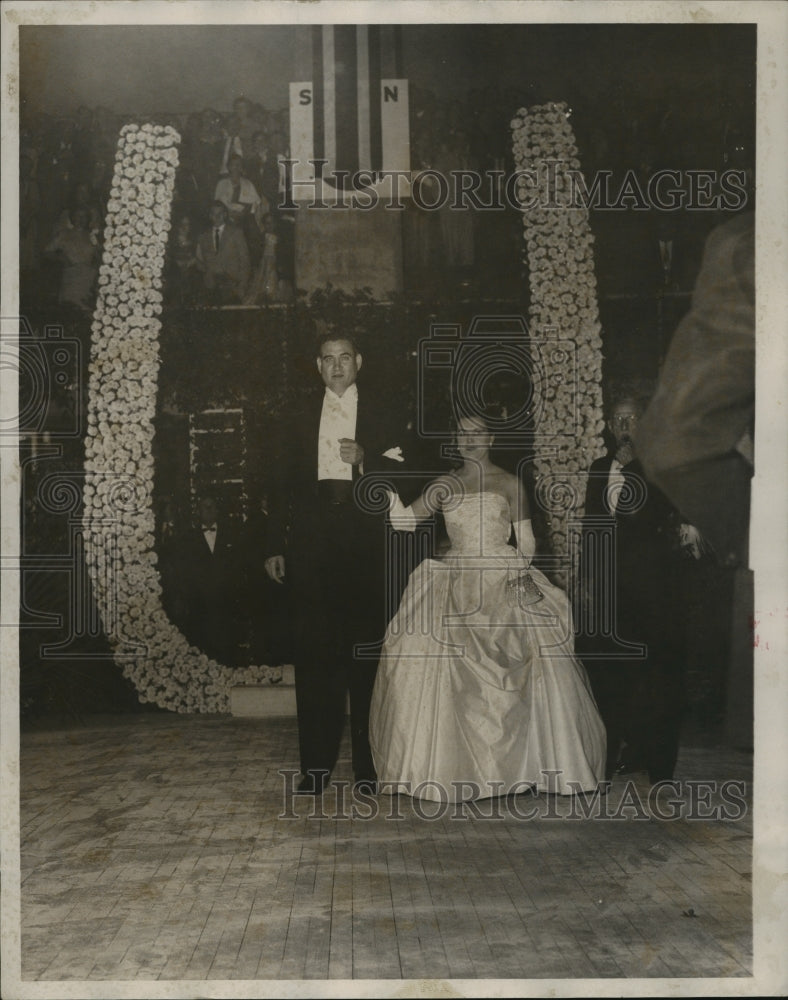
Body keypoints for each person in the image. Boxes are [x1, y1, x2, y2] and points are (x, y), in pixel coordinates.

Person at [369, 408, 607, 803]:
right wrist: (384, 483)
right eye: (462, 434)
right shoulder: (444, 484)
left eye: (477, 433)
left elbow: (527, 545)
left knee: (533, 649)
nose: (469, 440)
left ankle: (530, 765)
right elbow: (404, 522)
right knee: (415, 645)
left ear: (492, 439)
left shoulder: (511, 484)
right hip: (454, 578)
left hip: (505, 574)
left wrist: (515, 583)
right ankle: (446, 769)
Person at [264, 333, 407, 795]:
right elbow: (276, 484)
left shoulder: (385, 410)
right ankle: (316, 769)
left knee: (365, 651)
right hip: (311, 543)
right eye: (328, 359)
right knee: (315, 654)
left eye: (345, 357)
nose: (337, 366)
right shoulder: (294, 416)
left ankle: (368, 769)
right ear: (318, 366)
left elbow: (411, 467)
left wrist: (367, 461)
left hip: (365, 540)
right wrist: (275, 545)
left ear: (359, 362)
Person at [577, 391, 702, 782]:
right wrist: (586, 577)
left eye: (632, 419)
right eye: (618, 420)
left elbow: (651, 519)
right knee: (615, 675)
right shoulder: (599, 468)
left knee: (658, 677)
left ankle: (660, 765)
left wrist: (634, 470)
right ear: (610, 427)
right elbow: (593, 527)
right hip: (612, 592)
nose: (625, 427)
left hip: (655, 591)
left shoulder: (659, 464)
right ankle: (621, 753)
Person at [194, 200, 251, 304]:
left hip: (232, 285)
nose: (217, 217)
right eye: (213, 214)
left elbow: (245, 261)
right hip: (211, 287)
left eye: (220, 213)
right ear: (210, 215)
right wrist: (208, 273)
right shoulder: (203, 236)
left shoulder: (236, 233)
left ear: (225, 214)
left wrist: (242, 286)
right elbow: (199, 261)